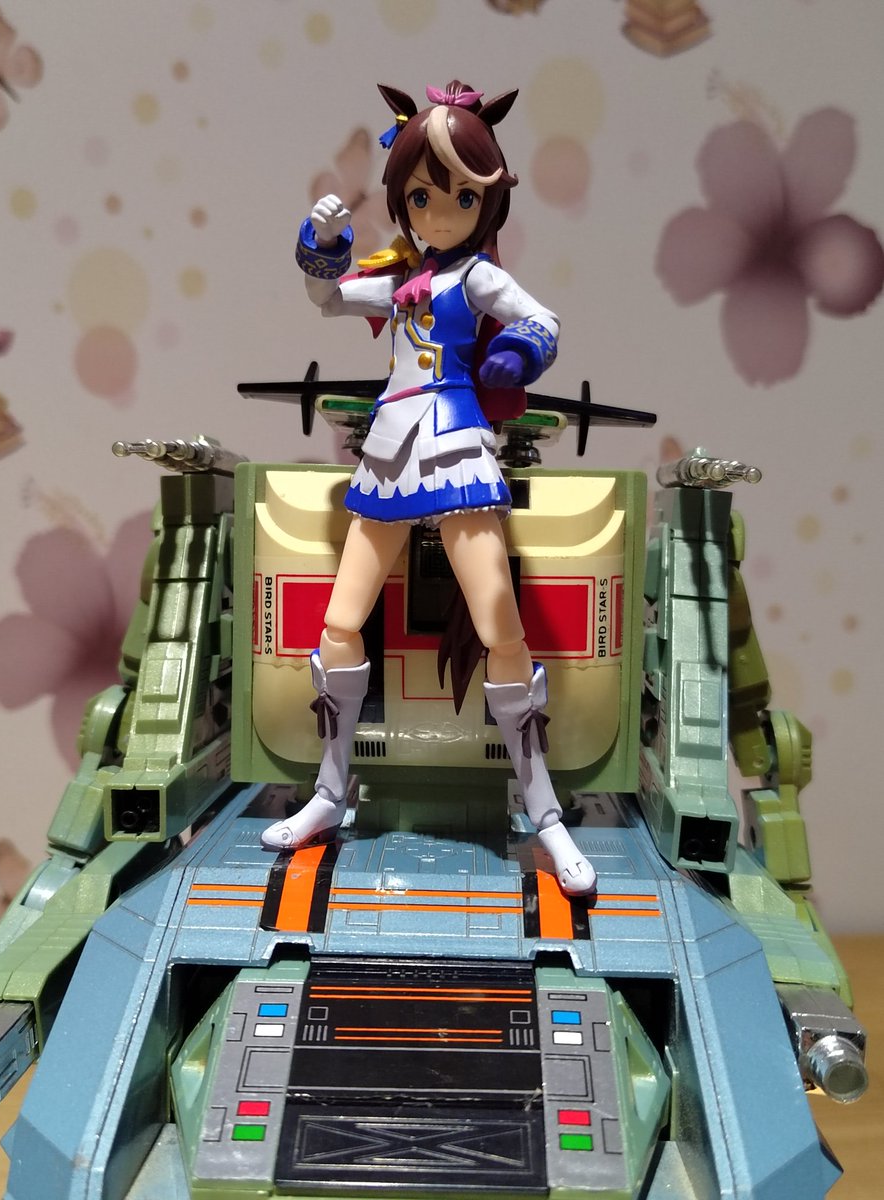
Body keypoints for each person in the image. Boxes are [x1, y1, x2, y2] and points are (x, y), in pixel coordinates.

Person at [261, 80, 596, 896]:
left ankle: (544, 812)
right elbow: (326, 297)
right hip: (388, 451)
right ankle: (329, 793)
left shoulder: (474, 280)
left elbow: (544, 320)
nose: (438, 212)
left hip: (454, 446)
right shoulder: (401, 279)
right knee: (340, 622)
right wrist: (321, 241)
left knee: (500, 623)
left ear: (487, 199)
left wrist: (514, 354)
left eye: (459, 196)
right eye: (420, 195)